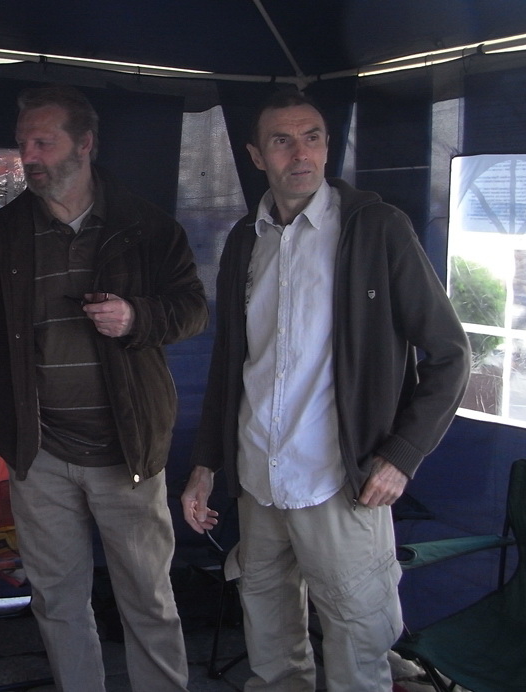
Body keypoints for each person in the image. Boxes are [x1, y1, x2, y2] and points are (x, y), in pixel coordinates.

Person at [181, 89, 470, 692]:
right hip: (259, 481)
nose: (300, 153)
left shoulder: (376, 229)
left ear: (327, 145)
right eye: (282, 141)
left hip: (340, 485)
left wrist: (402, 456)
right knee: (271, 651)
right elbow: (232, 366)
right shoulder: (245, 240)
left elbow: (450, 354)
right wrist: (206, 463)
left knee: (358, 650)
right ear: (256, 155)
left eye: (312, 137)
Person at [0, 85, 207, 692]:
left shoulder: (146, 227)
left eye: (43, 142)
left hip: (126, 450)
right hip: (40, 454)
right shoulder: (2, 234)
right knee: (56, 600)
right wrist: (2, 431)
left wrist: (136, 317)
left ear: (85, 144)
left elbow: (192, 309)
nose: (29, 156)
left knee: (147, 598)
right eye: (24, 143)